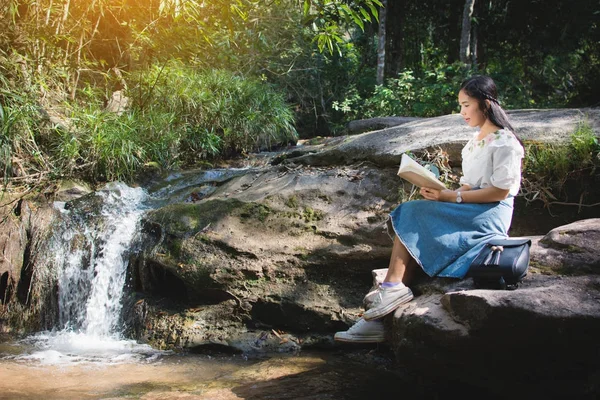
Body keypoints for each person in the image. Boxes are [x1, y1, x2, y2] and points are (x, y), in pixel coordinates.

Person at [335, 75, 525, 343]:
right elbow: (470, 187)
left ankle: (390, 290)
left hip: (490, 214)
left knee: (412, 212)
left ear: (484, 104)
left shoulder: (505, 142)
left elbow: (500, 191)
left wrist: (451, 198)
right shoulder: (475, 142)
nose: (461, 113)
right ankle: (378, 320)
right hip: (471, 207)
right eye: (460, 105)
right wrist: (440, 193)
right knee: (418, 220)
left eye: (466, 105)